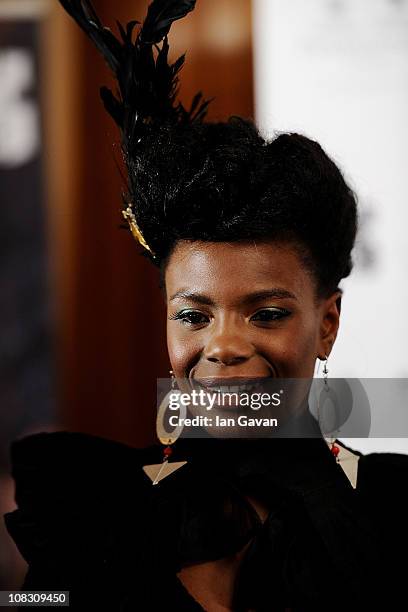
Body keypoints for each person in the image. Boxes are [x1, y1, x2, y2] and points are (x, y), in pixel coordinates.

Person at [4, 1, 408, 610]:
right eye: (193, 315)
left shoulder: (394, 515)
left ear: (328, 322)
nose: (222, 345)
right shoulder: (88, 508)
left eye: (267, 313)